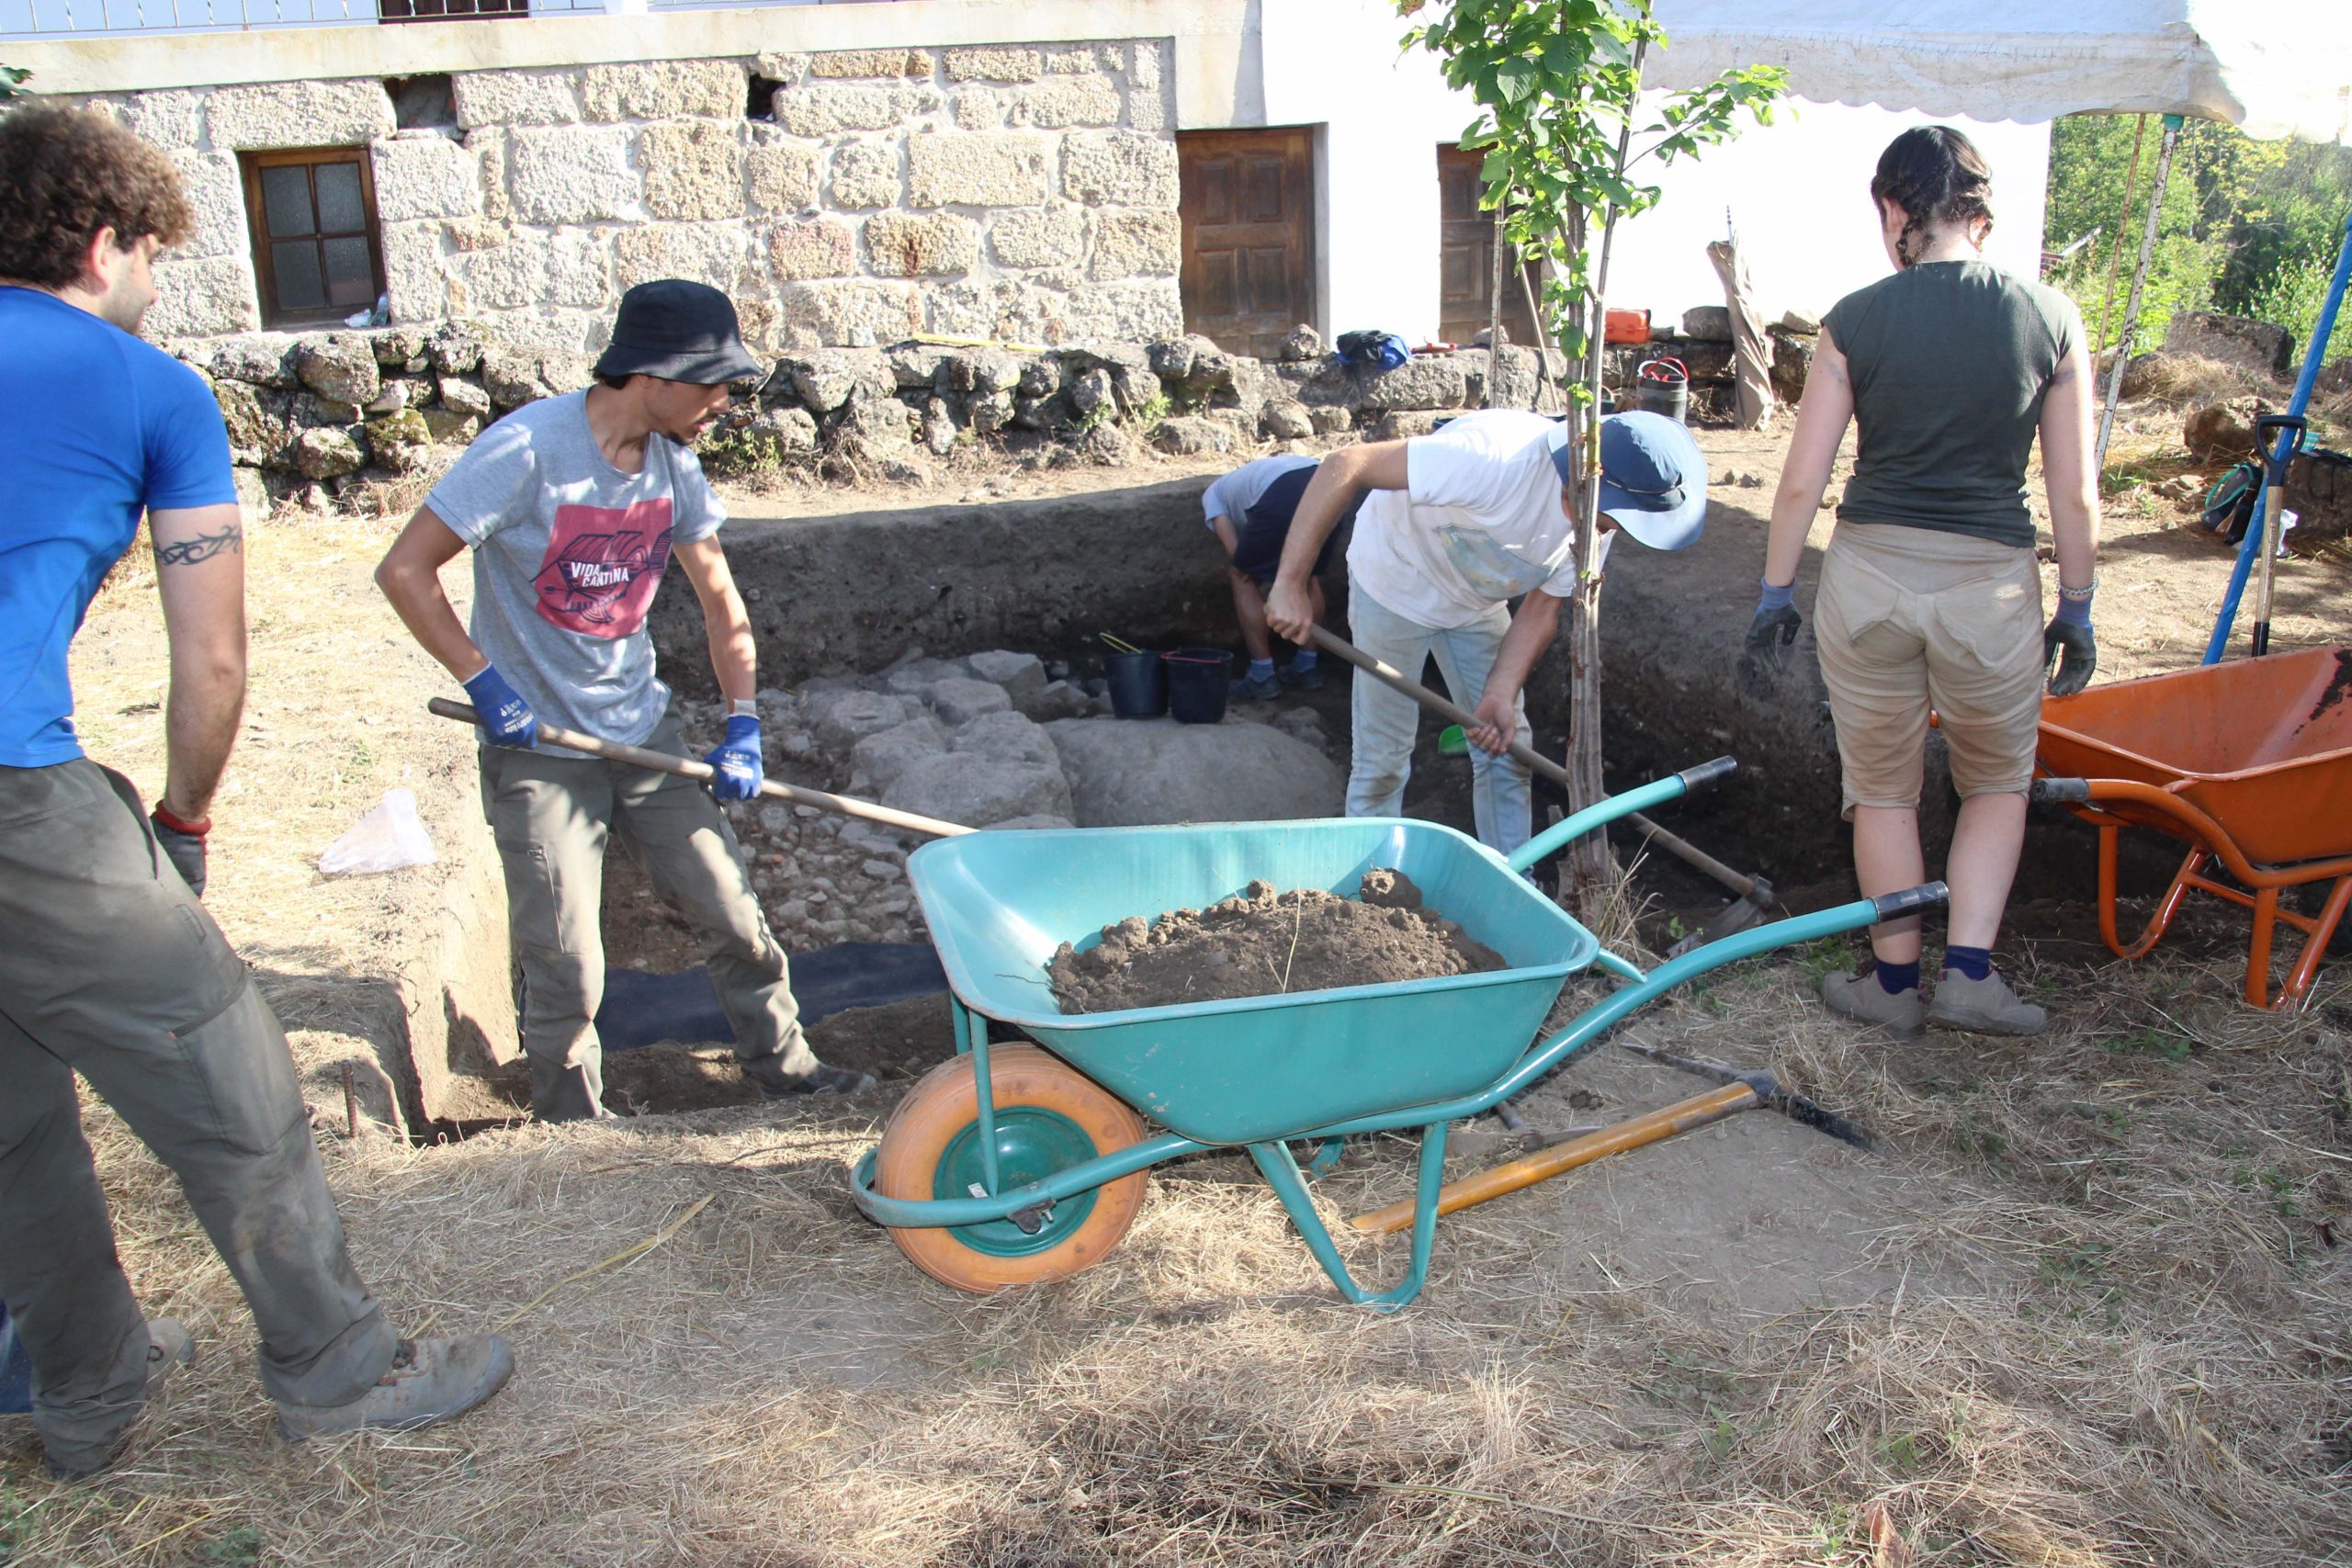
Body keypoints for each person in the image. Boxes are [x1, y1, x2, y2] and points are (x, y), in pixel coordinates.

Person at [0, 103, 512, 1481]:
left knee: (12, 1118)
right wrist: (180, 819)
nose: (153, 288)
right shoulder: (143, 386)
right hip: (14, 797)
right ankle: (339, 1369)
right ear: (104, 243)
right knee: (229, 1074)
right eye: (153, 258)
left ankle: (74, 1388)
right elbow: (214, 658)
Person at [377, 279, 874, 1123]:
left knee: (734, 914)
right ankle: (574, 1124)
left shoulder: (673, 466)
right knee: (566, 959)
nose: (724, 402)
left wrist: (743, 722)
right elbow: (403, 569)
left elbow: (721, 603)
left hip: (644, 733)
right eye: (713, 383)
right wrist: (483, 681)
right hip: (539, 749)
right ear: (654, 373)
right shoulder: (526, 452)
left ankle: (788, 1069)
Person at [1743, 126, 2098, 1039]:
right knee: (1995, 784)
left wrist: (1776, 594)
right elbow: (2073, 492)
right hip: (1990, 590)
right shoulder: (2049, 317)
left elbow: (1800, 481)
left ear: (1895, 207)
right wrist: (2077, 606)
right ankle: (1970, 977)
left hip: (1867, 582)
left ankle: (1894, 985)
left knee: (1881, 788)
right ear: (1978, 211)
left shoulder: (1855, 318)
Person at [1265, 409, 1708, 855]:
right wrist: (1289, 583)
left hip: (1476, 603)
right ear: (1584, 480)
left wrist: (1500, 690)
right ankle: (1370, 876)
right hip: (1394, 582)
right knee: (1384, 756)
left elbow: (1542, 607)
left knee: (1507, 746)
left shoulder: (1600, 519)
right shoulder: (1493, 461)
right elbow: (1348, 462)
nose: (1606, 531)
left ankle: (1509, 872)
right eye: (1608, 520)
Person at [1199, 454, 1360, 700]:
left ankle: (1262, 675)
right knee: (1307, 575)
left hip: (1283, 491)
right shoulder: (1250, 477)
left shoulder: (1212, 495)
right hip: (1329, 485)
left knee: (1239, 576)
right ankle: (1307, 667)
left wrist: (1255, 572)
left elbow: (1237, 557)